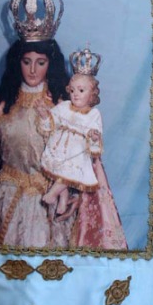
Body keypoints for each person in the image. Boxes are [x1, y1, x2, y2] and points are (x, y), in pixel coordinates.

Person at [0, 0, 128, 252]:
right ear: (17, 64)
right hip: (7, 205)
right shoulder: (0, 111)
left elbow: (82, 159)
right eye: (27, 61)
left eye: (41, 62)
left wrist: (74, 194)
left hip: (52, 209)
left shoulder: (66, 110)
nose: (33, 70)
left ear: (50, 64)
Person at [38, 72, 103, 219]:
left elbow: (96, 134)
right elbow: (51, 122)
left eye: (81, 90)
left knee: (68, 172)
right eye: (72, 90)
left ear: (92, 94)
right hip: (58, 146)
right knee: (59, 173)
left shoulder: (94, 114)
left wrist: (94, 137)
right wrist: (44, 116)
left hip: (77, 151)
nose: (75, 95)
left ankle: (53, 194)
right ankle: (63, 199)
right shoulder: (64, 106)